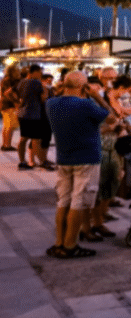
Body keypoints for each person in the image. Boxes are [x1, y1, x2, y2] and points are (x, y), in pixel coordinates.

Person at [45, 71, 113, 259]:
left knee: (63, 201)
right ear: (84, 88)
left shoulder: (51, 103)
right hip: (87, 158)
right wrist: (97, 96)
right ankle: (70, 245)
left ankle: (59, 242)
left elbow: (62, 95)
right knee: (78, 202)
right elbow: (112, 117)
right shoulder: (86, 104)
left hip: (64, 158)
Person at [17, 64, 56, 170]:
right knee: (36, 139)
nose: (41, 75)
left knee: (24, 138)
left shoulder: (22, 82)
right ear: (35, 71)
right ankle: (42, 162)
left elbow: (18, 95)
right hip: (33, 113)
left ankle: (22, 161)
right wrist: (46, 91)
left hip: (22, 113)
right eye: (40, 72)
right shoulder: (36, 82)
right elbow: (43, 98)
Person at [1, 64, 21, 152]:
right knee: (10, 126)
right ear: (13, 71)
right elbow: (7, 93)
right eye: (17, 70)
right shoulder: (10, 81)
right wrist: (16, 102)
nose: (18, 72)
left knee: (6, 125)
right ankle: (7, 145)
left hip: (4, 105)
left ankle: (5, 144)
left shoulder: (5, 80)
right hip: (9, 105)